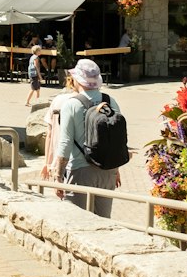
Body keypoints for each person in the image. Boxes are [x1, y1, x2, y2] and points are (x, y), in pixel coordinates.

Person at [42, 58, 125, 219]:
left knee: (76, 222)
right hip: (107, 171)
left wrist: (58, 177)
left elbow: (65, 143)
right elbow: (116, 139)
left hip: (81, 170)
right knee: (103, 223)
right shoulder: (110, 101)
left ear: (77, 80)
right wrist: (116, 171)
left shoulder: (72, 104)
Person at [25, 43, 44, 108]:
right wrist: (40, 76)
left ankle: (37, 101)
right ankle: (27, 102)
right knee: (33, 88)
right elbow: (36, 66)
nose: (41, 51)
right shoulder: (36, 58)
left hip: (32, 74)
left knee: (38, 88)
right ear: (37, 51)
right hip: (34, 74)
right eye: (40, 50)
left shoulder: (32, 57)